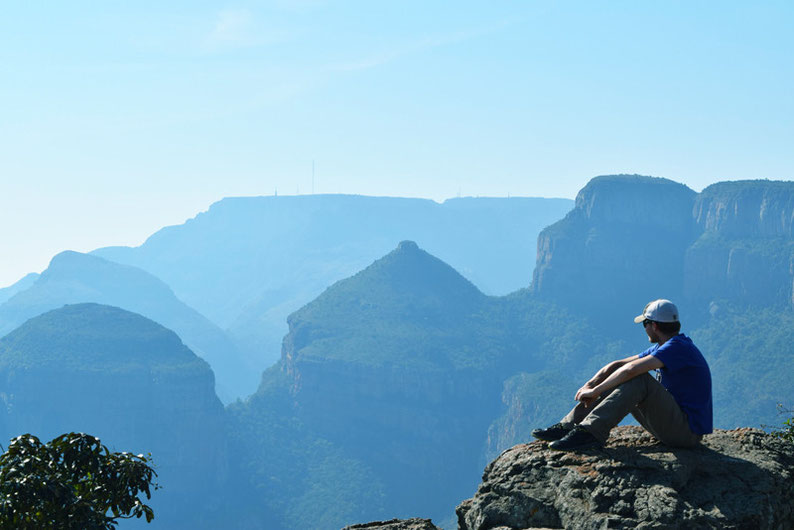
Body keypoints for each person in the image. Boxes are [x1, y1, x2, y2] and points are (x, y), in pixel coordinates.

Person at [532, 299, 712, 451]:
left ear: (654, 325)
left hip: (686, 434)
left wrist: (596, 391)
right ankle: (568, 426)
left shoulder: (678, 347)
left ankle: (591, 434)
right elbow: (619, 365)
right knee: (623, 376)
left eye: (645, 324)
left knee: (638, 378)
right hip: (672, 425)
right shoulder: (664, 347)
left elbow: (630, 371)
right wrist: (591, 384)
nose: (644, 328)